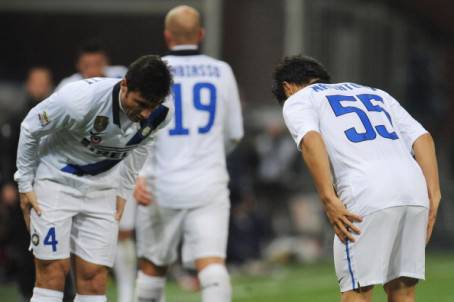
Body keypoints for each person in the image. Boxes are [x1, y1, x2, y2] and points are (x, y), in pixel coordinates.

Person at [272, 55, 441, 302]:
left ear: (288, 87)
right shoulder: (376, 93)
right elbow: (422, 137)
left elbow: (310, 140)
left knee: (357, 292)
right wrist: (434, 194)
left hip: (367, 191)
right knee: (403, 291)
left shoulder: (299, 99)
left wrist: (328, 198)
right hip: (413, 189)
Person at [15, 54, 173, 302]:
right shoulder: (79, 100)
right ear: (124, 84)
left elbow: (142, 146)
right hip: (56, 181)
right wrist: (24, 184)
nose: (145, 113)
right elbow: (30, 128)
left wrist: (123, 191)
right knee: (53, 271)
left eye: (152, 105)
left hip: (102, 188)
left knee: (95, 277)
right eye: (140, 103)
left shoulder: (160, 113)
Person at [133, 5, 243, 302]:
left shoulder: (152, 71)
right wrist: (208, 156)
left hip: (160, 183)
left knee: (153, 268)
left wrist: (137, 173)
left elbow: (137, 127)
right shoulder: (222, 71)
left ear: (168, 36)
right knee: (212, 266)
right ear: (201, 34)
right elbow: (234, 133)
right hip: (209, 182)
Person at [56, 40, 127, 91]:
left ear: (106, 62)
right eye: (87, 66)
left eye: (98, 64)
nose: (93, 70)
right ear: (78, 65)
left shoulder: (121, 74)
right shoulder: (67, 85)